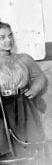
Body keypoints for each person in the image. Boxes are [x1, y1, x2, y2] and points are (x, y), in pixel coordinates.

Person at [0, 22, 47, 156]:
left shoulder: (23, 59)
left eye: (10, 36)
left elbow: (40, 77)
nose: (8, 40)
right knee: (6, 147)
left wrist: (34, 90)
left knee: (28, 145)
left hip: (22, 106)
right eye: (2, 37)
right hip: (2, 109)